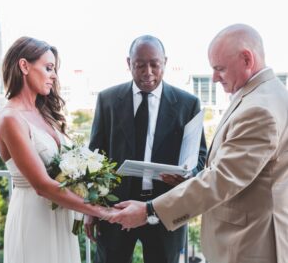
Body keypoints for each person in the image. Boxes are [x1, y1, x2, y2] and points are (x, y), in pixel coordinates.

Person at [109, 24, 288, 263]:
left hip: (251, 244)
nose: (214, 77)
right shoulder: (267, 95)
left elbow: (223, 178)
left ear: (247, 58)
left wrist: (150, 210)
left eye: (219, 68)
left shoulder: (259, 108)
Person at [86, 35, 207, 263]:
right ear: (128, 63)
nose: (148, 72)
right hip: (116, 207)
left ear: (165, 62)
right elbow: (95, 156)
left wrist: (186, 175)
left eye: (154, 64)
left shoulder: (187, 103)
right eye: (140, 65)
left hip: (164, 208)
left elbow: (201, 156)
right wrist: (90, 209)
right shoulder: (107, 99)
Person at [0, 37, 115, 263]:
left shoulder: (45, 114)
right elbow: (41, 185)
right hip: (33, 218)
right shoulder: (11, 118)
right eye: (48, 68)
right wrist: (100, 211)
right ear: (24, 66)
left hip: (60, 217)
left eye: (55, 70)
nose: (54, 76)